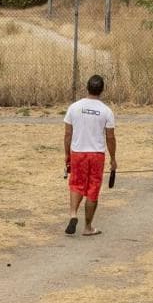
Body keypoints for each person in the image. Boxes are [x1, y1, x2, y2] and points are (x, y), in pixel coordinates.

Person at [63, 74, 117, 237]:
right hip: (96, 155)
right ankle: (87, 227)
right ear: (102, 90)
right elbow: (110, 137)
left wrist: (67, 154)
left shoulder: (74, 107)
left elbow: (67, 134)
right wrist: (113, 159)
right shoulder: (106, 111)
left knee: (76, 184)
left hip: (78, 152)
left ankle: (73, 214)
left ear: (87, 87)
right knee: (93, 189)